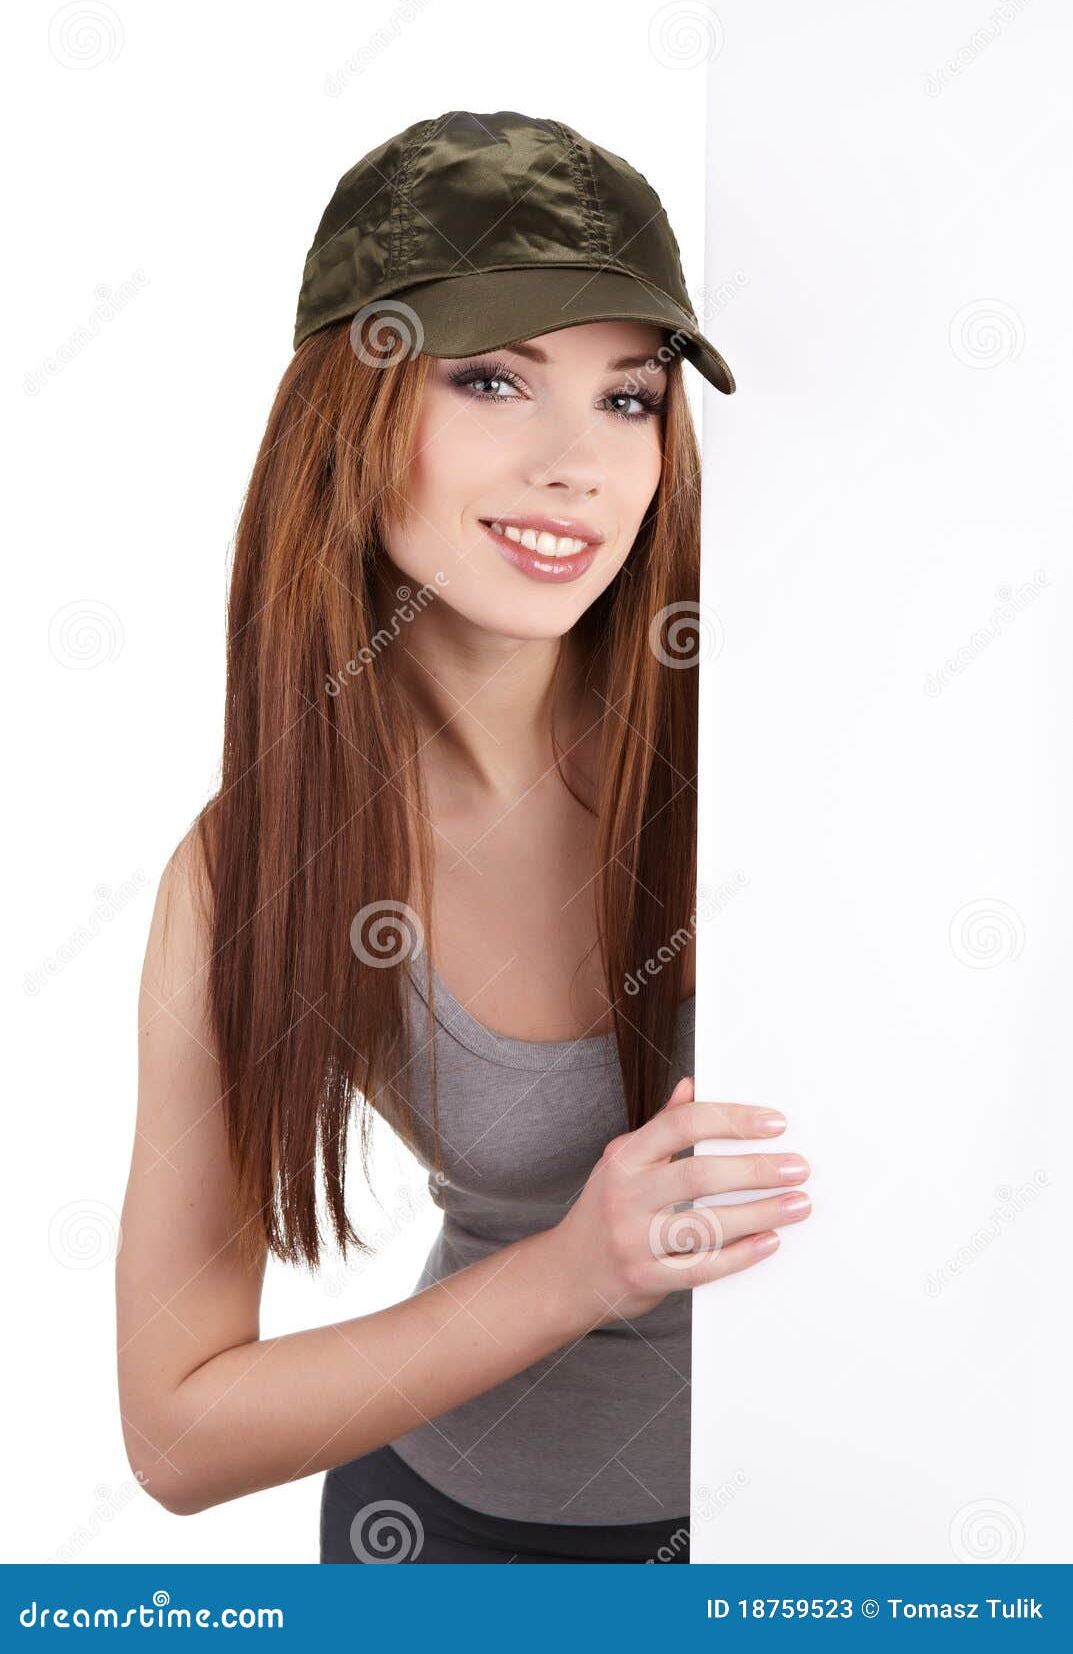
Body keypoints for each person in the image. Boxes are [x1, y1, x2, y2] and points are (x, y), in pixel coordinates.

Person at [116, 111, 812, 1564]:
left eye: (629, 398)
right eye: (495, 379)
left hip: (844, 1527)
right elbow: (177, 1428)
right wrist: (572, 1270)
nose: (578, 463)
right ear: (348, 413)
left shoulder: (775, 728)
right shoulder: (254, 864)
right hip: (459, 1545)